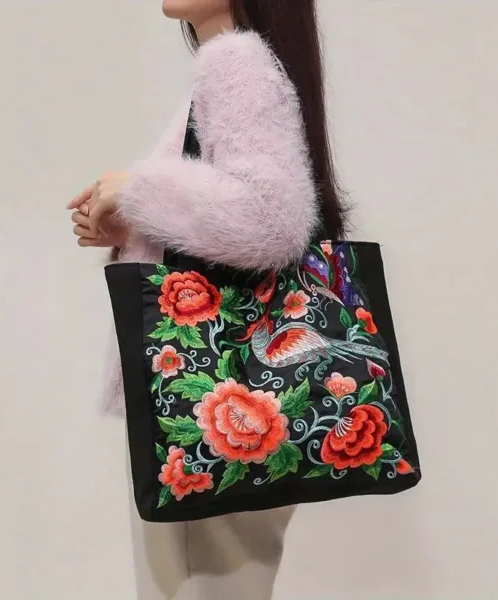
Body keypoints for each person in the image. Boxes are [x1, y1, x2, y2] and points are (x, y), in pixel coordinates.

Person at [67, 1, 346, 597]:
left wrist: (138, 187)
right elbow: (236, 218)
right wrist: (135, 222)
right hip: (231, 403)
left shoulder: (235, 62)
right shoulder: (240, 63)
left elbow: (271, 220)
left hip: (209, 415)